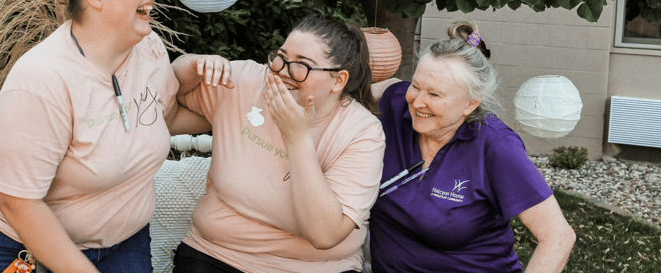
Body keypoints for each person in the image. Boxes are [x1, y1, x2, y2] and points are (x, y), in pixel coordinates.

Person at [0, 0, 205, 273]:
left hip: (124, 239)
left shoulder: (149, 47)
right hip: (24, 243)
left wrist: (238, 111)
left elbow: (162, 117)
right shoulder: (42, 80)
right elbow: (16, 201)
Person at [169, 14, 386, 273]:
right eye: (281, 57)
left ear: (338, 80)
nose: (283, 71)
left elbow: (325, 235)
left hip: (314, 267)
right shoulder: (245, 83)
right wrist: (188, 64)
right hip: (218, 254)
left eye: (301, 65)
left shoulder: (361, 132)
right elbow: (164, 103)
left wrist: (298, 138)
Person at [369, 21, 576, 273]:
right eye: (416, 85)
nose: (417, 101)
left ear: (470, 104)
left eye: (434, 95)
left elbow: (558, 236)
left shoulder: (495, 146)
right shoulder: (399, 104)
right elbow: (355, 88)